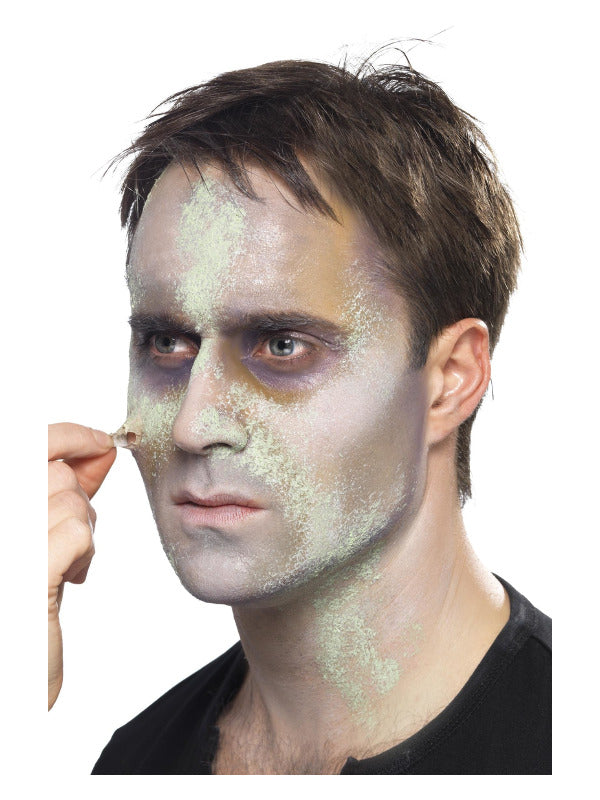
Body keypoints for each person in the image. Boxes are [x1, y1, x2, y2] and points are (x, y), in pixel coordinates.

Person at [48, 58, 551, 774]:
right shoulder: (135, 763)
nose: (191, 426)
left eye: (282, 346)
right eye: (166, 342)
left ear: (449, 381)